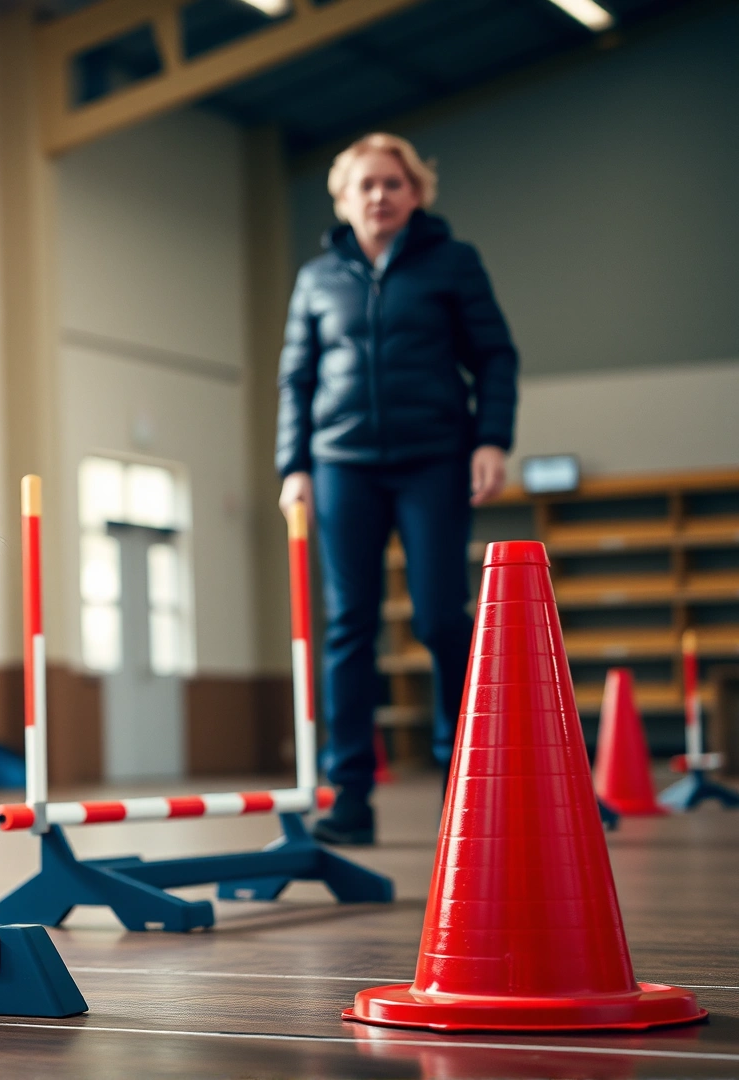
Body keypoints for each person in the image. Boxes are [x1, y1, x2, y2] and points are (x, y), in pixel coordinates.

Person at [276, 133, 519, 846]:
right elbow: (296, 378)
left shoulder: (453, 264)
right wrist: (293, 465)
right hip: (342, 463)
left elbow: (495, 355)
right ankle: (349, 792)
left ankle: (463, 782)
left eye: (393, 184)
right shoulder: (318, 278)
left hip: (433, 459)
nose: (379, 196)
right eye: (366, 186)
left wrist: (491, 440)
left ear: (416, 193)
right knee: (350, 625)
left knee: (444, 618)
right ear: (344, 200)